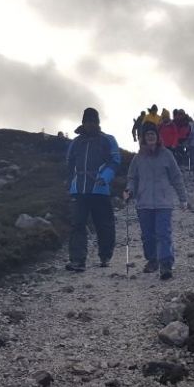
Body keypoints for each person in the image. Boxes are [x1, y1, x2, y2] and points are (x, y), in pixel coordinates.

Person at [125, 121, 189, 280]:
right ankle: (152, 260)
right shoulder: (138, 158)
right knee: (147, 236)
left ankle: (166, 264)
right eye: (147, 134)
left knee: (163, 233)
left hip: (163, 202)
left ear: (157, 136)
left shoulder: (167, 155)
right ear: (143, 138)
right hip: (144, 203)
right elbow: (132, 177)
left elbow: (176, 177)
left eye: (153, 134)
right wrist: (129, 190)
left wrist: (183, 198)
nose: (150, 137)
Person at [65, 107, 121, 272]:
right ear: (83, 122)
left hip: (100, 189)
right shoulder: (75, 142)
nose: (90, 124)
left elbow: (115, 160)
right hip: (79, 190)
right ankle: (77, 260)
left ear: (98, 122)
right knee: (77, 224)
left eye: (93, 121)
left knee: (104, 224)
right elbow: (69, 164)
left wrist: (106, 177)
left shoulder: (107, 140)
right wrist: (70, 184)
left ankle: (105, 256)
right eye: (87, 121)